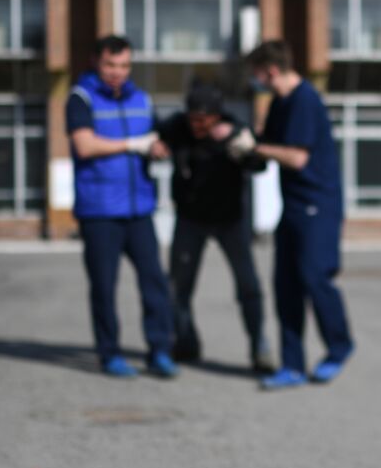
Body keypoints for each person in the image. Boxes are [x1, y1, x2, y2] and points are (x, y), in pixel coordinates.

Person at [243, 40, 355, 390]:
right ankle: (291, 365)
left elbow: (296, 158)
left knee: (315, 278)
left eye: (257, 75)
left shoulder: (304, 100)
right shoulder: (279, 102)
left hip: (318, 207)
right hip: (291, 206)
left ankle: (339, 347)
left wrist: (256, 147)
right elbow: (266, 150)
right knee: (285, 286)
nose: (255, 81)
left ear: (271, 70)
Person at [67, 35, 177, 379]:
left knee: (154, 283)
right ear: (96, 63)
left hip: (139, 208)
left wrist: (158, 147)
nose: (117, 72)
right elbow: (84, 146)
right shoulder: (80, 98)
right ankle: (110, 353)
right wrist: (133, 143)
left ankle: (159, 350)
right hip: (99, 211)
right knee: (104, 286)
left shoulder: (142, 99)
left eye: (124, 65)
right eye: (110, 65)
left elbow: (156, 139)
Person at [152, 80, 275, 372]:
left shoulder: (233, 129)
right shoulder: (177, 127)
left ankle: (259, 345)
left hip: (230, 220)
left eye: (204, 120)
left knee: (248, 286)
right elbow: (154, 136)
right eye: (193, 118)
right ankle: (186, 341)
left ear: (217, 116)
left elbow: (259, 166)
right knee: (179, 286)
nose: (198, 125)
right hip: (190, 219)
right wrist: (156, 145)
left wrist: (242, 147)